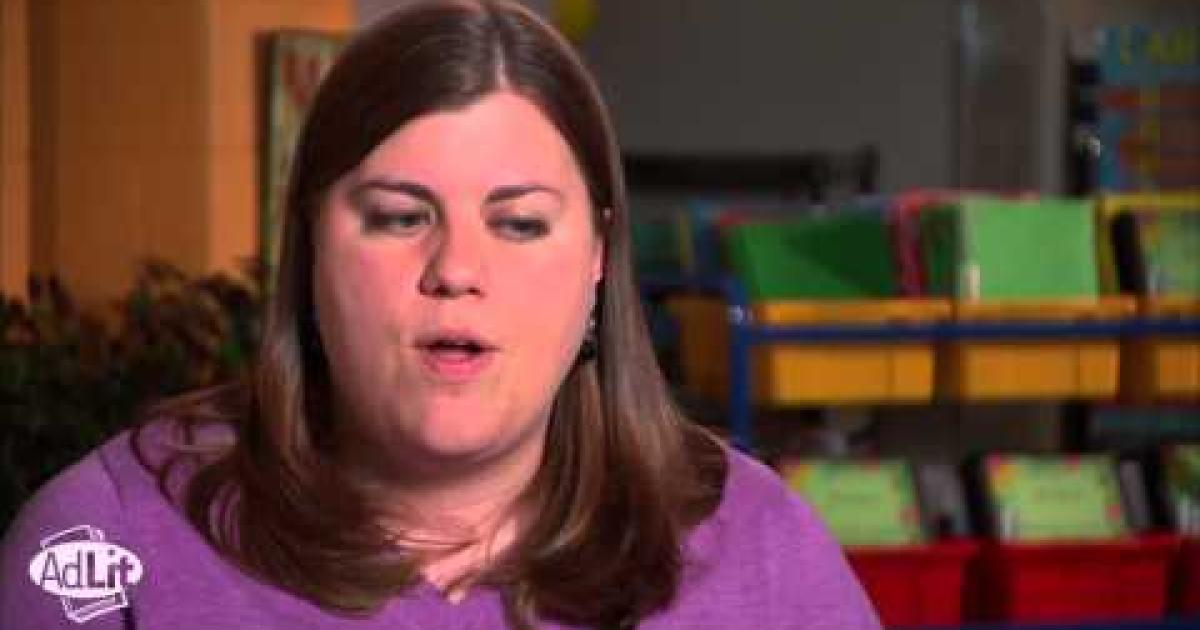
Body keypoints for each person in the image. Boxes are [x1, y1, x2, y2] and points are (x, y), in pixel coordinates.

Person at [1, 1, 880, 628]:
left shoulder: (763, 551)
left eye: (520, 224)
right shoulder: (108, 546)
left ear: (598, 256)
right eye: (398, 217)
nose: (457, 270)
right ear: (310, 243)